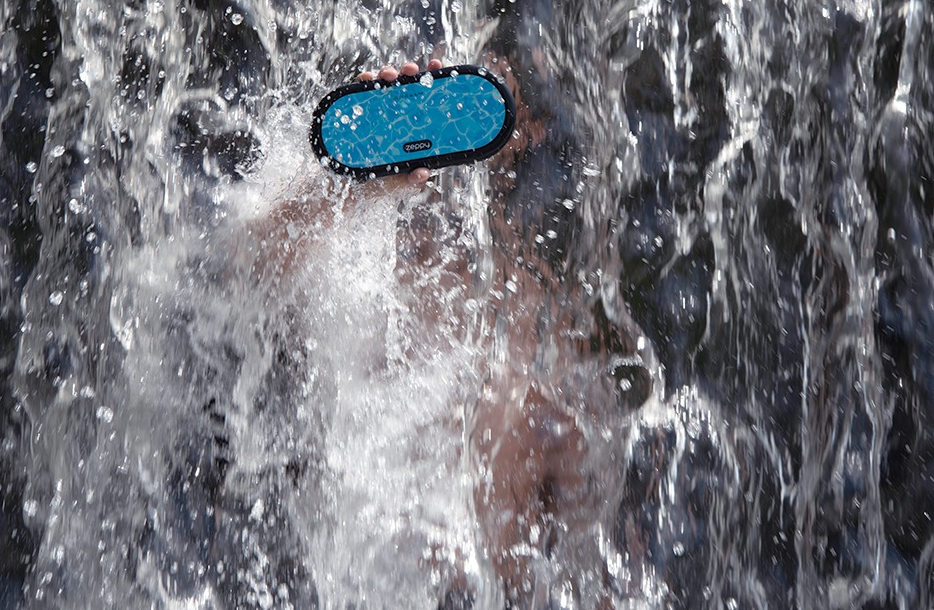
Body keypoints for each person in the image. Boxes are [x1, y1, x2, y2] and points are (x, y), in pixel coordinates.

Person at [256, 57, 650, 606]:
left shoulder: (549, 316)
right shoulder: (364, 262)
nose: (454, 102)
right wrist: (349, 189)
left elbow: (590, 554)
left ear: (528, 127)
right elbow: (238, 280)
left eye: (484, 89)